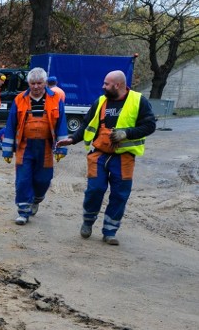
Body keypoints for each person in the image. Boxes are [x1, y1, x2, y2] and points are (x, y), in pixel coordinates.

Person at [56, 70, 156, 245]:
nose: (103, 87)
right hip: (99, 155)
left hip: (124, 159)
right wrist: (72, 139)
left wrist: (127, 133)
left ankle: (110, 231)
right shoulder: (101, 101)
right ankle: (88, 222)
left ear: (117, 85)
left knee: (120, 195)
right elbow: (87, 124)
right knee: (94, 190)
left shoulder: (138, 101)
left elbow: (150, 125)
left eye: (106, 84)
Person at [1, 67, 68, 225]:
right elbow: (11, 124)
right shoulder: (19, 99)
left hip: (45, 146)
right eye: (33, 83)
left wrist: (61, 147)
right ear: (28, 83)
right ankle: (23, 211)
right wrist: (7, 151)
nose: (36, 86)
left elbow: (61, 124)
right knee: (23, 180)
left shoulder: (56, 99)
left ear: (45, 82)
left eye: (39, 83)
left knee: (43, 180)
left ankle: (37, 199)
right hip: (25, 147)